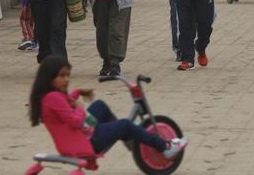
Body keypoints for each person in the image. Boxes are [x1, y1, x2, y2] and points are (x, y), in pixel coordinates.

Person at [28, 55, 188, 159]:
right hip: (84, 142)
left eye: (68, 75)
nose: (67, 80)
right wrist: (80, 108)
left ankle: (128, 137)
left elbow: (64, 106)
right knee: (125, 124)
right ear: (49, 77)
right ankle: (165, 147)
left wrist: (78, 92)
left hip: (78, 136)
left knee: (100, 106)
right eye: (62, 76)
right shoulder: (53, 97)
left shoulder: (49, 96)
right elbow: (74, 121)